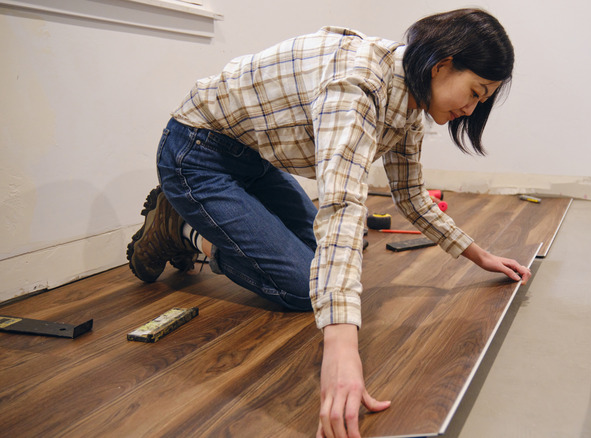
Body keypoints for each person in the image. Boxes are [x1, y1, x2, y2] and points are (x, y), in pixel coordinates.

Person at [126, 8, 531, 438]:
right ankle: (183, 232)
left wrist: (479, 255)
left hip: (255, 160)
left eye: (481, 101)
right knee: (305, 287)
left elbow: (411, 196)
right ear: (443, 64)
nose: (469, 109)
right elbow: (341, 207)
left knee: (333, 262)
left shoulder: (409, 96)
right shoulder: (357, 88)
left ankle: (196, 220)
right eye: (474, 92)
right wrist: (341, 350)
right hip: (197, 154)